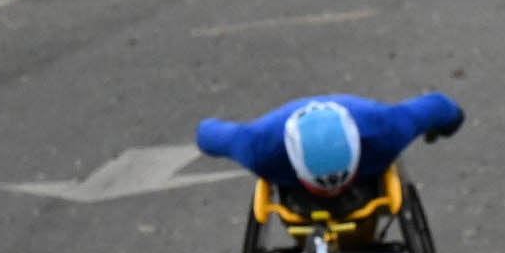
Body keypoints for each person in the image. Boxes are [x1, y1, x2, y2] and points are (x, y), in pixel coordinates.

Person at [196, 91, 464, 210]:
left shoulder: (384, 132)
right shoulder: (260, 149)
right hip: (279, 136)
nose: (333, 193)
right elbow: (207, 134)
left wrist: (449, 125)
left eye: (341, 184)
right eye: (322, 188)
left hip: (365, 128)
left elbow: (441, 107)